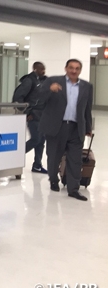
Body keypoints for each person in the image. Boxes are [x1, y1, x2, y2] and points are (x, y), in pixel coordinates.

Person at [40, 59, 93, 201]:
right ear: (66, 68)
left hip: (76, 128)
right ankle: (53, 179)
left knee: (75, 160)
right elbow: (39, 98)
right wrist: (49, 90)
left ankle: (73, 189)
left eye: (77, 68)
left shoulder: (87, 87)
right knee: (54, 157)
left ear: (80, 70)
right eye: (71, 68)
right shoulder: (53, 81)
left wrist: (88, 127)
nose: (74, 71)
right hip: (57, 126)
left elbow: (87, 109)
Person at [12, 62, 48, 174]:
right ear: (35, 69)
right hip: (33, 115)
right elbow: (18, 97)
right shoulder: (29, 81)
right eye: (41, 69)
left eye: (44, 69)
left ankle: (37, 165)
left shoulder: (44, 81)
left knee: (41, 140)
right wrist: (27, 112)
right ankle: (15, 155)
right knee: (35, 139)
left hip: (43, 116)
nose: (43, 71)